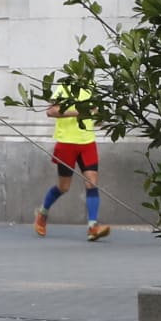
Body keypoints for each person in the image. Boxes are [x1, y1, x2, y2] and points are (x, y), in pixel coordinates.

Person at [34, 69, 110, 241]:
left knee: (92, 182)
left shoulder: (93, 88)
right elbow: (51, 111)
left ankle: (93, 227)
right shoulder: (64, 87)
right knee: (64, 187)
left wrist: (101, 118)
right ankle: (42, 213)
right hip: (66, 143)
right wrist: (79, 112)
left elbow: (96, 114)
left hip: (87, 142)